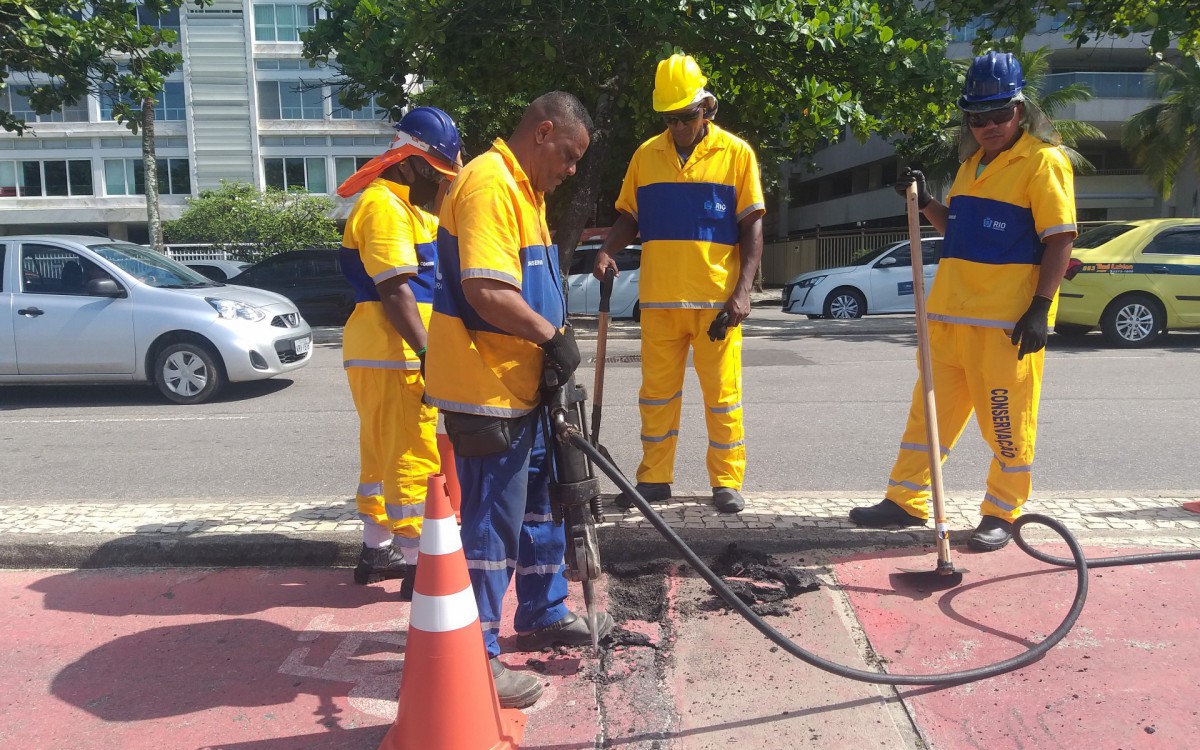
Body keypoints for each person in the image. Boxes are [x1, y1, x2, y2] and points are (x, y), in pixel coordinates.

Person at [423, 91, 614, 708]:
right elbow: (486, 289)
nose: (572, 168)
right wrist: (551, 335)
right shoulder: (488, 184)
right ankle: (477, 657)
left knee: (538, 508)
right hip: (487, 390)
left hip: (520, 387)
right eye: (568, 154)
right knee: (491, 526)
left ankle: (542, 609)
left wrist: (550, 346)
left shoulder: (525, 192)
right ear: (543, 129)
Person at [848, 51, 1077, 551]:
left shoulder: (1042, 162)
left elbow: (1060, 238)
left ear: (1021, 109)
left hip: (1004, 324)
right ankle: (906, 499)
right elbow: (955, 230)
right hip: (949, 316)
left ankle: (1002, 512)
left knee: (1005, 422)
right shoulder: (972, 164)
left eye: (1000, 114)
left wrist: (1040, 308)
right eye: (979, 117)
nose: (990, 125)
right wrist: (926, 201)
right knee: (928, 417)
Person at [593, 53, 765, 514]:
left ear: (706, 108)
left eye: (687, 117)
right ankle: (654, 478)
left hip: (716, 306)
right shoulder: (645, 157)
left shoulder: (736, 155)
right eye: (670, 119)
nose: (679, 127)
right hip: (660, 303)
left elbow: (752, 226)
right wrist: (608, 249)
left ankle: (726, 482)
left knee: (722, 398)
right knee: (656, 396)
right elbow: (629, 215)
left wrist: (743, 290)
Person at [336, 107, 461, 593]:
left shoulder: (397, 205)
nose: (440, 182)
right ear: (408, 162)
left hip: (382, 352)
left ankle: (375, 549)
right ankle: (418, 564)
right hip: (398, 352)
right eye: (437, 172)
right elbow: (396, 291)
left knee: (381, 455)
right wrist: (431, 354)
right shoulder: (385, 206)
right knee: (413, 455)